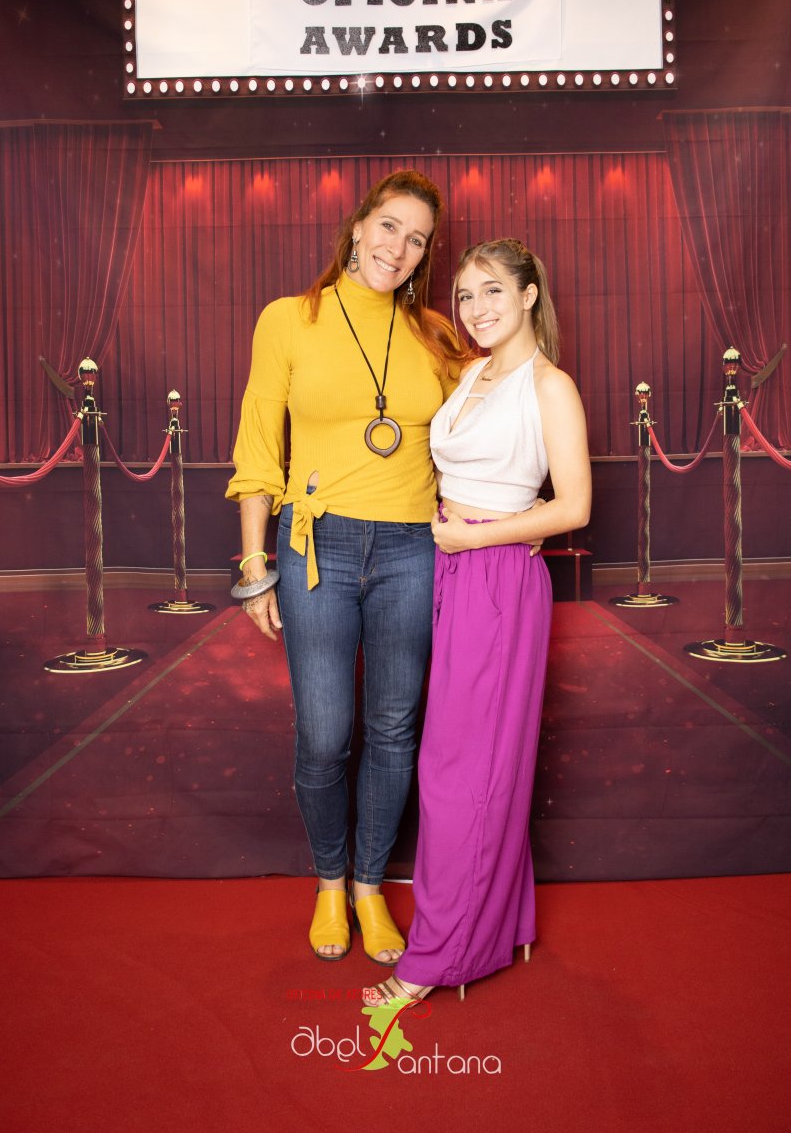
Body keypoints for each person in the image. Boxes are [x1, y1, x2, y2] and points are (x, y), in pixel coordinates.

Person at [225, 170, 469, 965]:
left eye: (417, 239)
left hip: (410, 549)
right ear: (358, 226)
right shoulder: (289, 319)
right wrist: (254, 563)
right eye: (389, 226)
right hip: (315, 547)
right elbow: (259, 444)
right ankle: (328, 881)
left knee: (394, 729)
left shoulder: (436, 335)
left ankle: (368, 886)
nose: (398, 247)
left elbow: (472, 437)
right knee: (325, 735)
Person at [363, 237, 591, 1007]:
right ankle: (503, 922)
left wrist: (483, 535)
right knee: (472, 761)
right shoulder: (469, 373)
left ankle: (438, 957)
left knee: (463, 771)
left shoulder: (549, 386)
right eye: (464, 294)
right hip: (448, 567)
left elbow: (573, 506)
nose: (475, 308)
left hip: (490, 576)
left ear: (528, 294)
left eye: (492, 290)